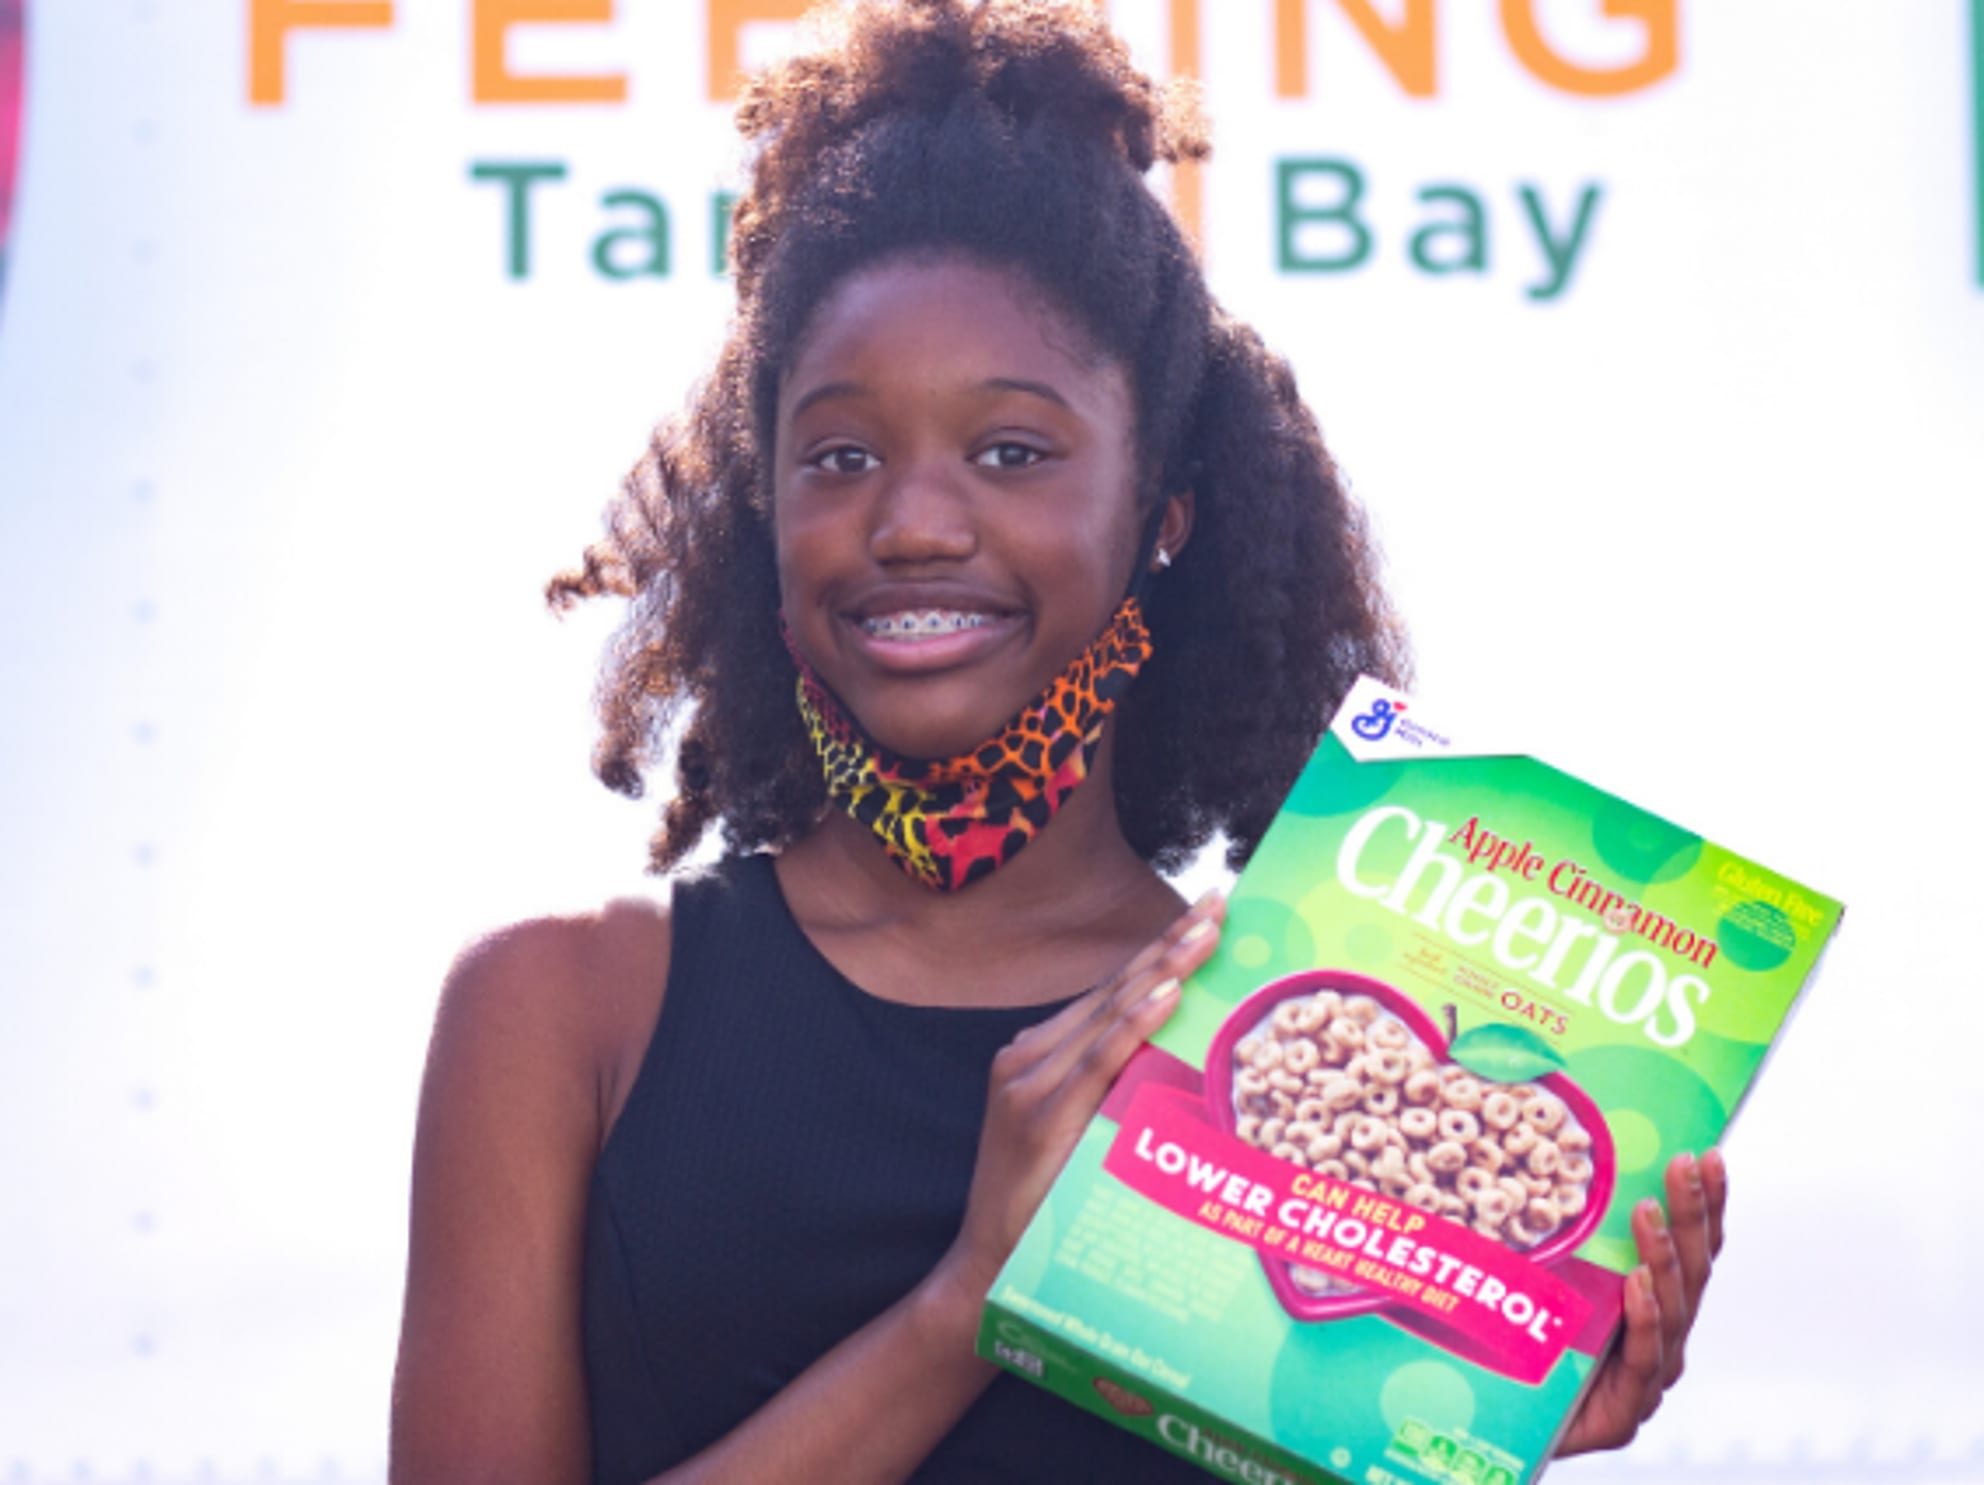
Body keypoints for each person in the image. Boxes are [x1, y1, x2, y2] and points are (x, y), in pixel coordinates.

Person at [389, 2, 1727, 1480]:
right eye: (840, 455)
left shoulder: (1276, 1040)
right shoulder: (565, 1009)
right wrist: (970, 1302)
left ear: (1164, 516)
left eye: (1012, 451)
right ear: (766, 512)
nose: (911, 522)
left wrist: (1473, 1427)